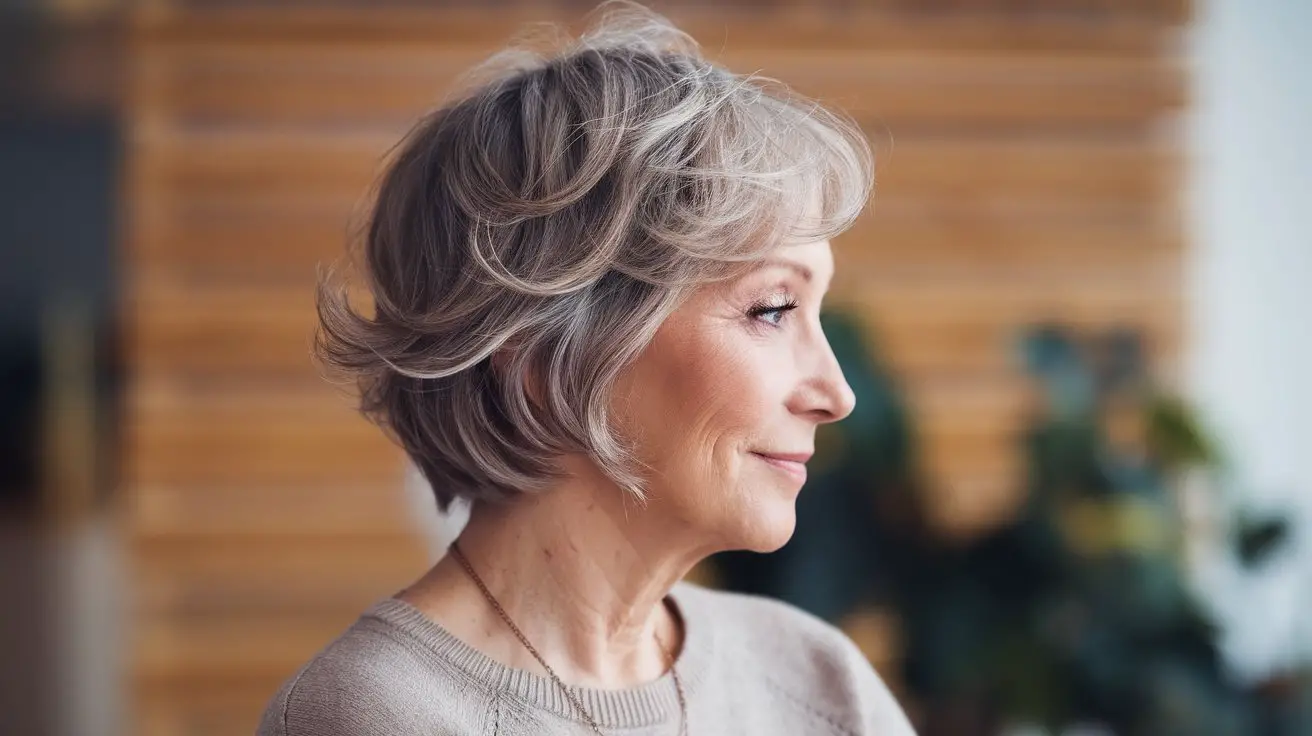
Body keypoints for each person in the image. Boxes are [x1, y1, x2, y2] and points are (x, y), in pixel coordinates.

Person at [257, 3, 916, 734]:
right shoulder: (375, 716)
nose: (838, 394)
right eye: (771, 309)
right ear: (543, 343)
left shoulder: (818, 682)